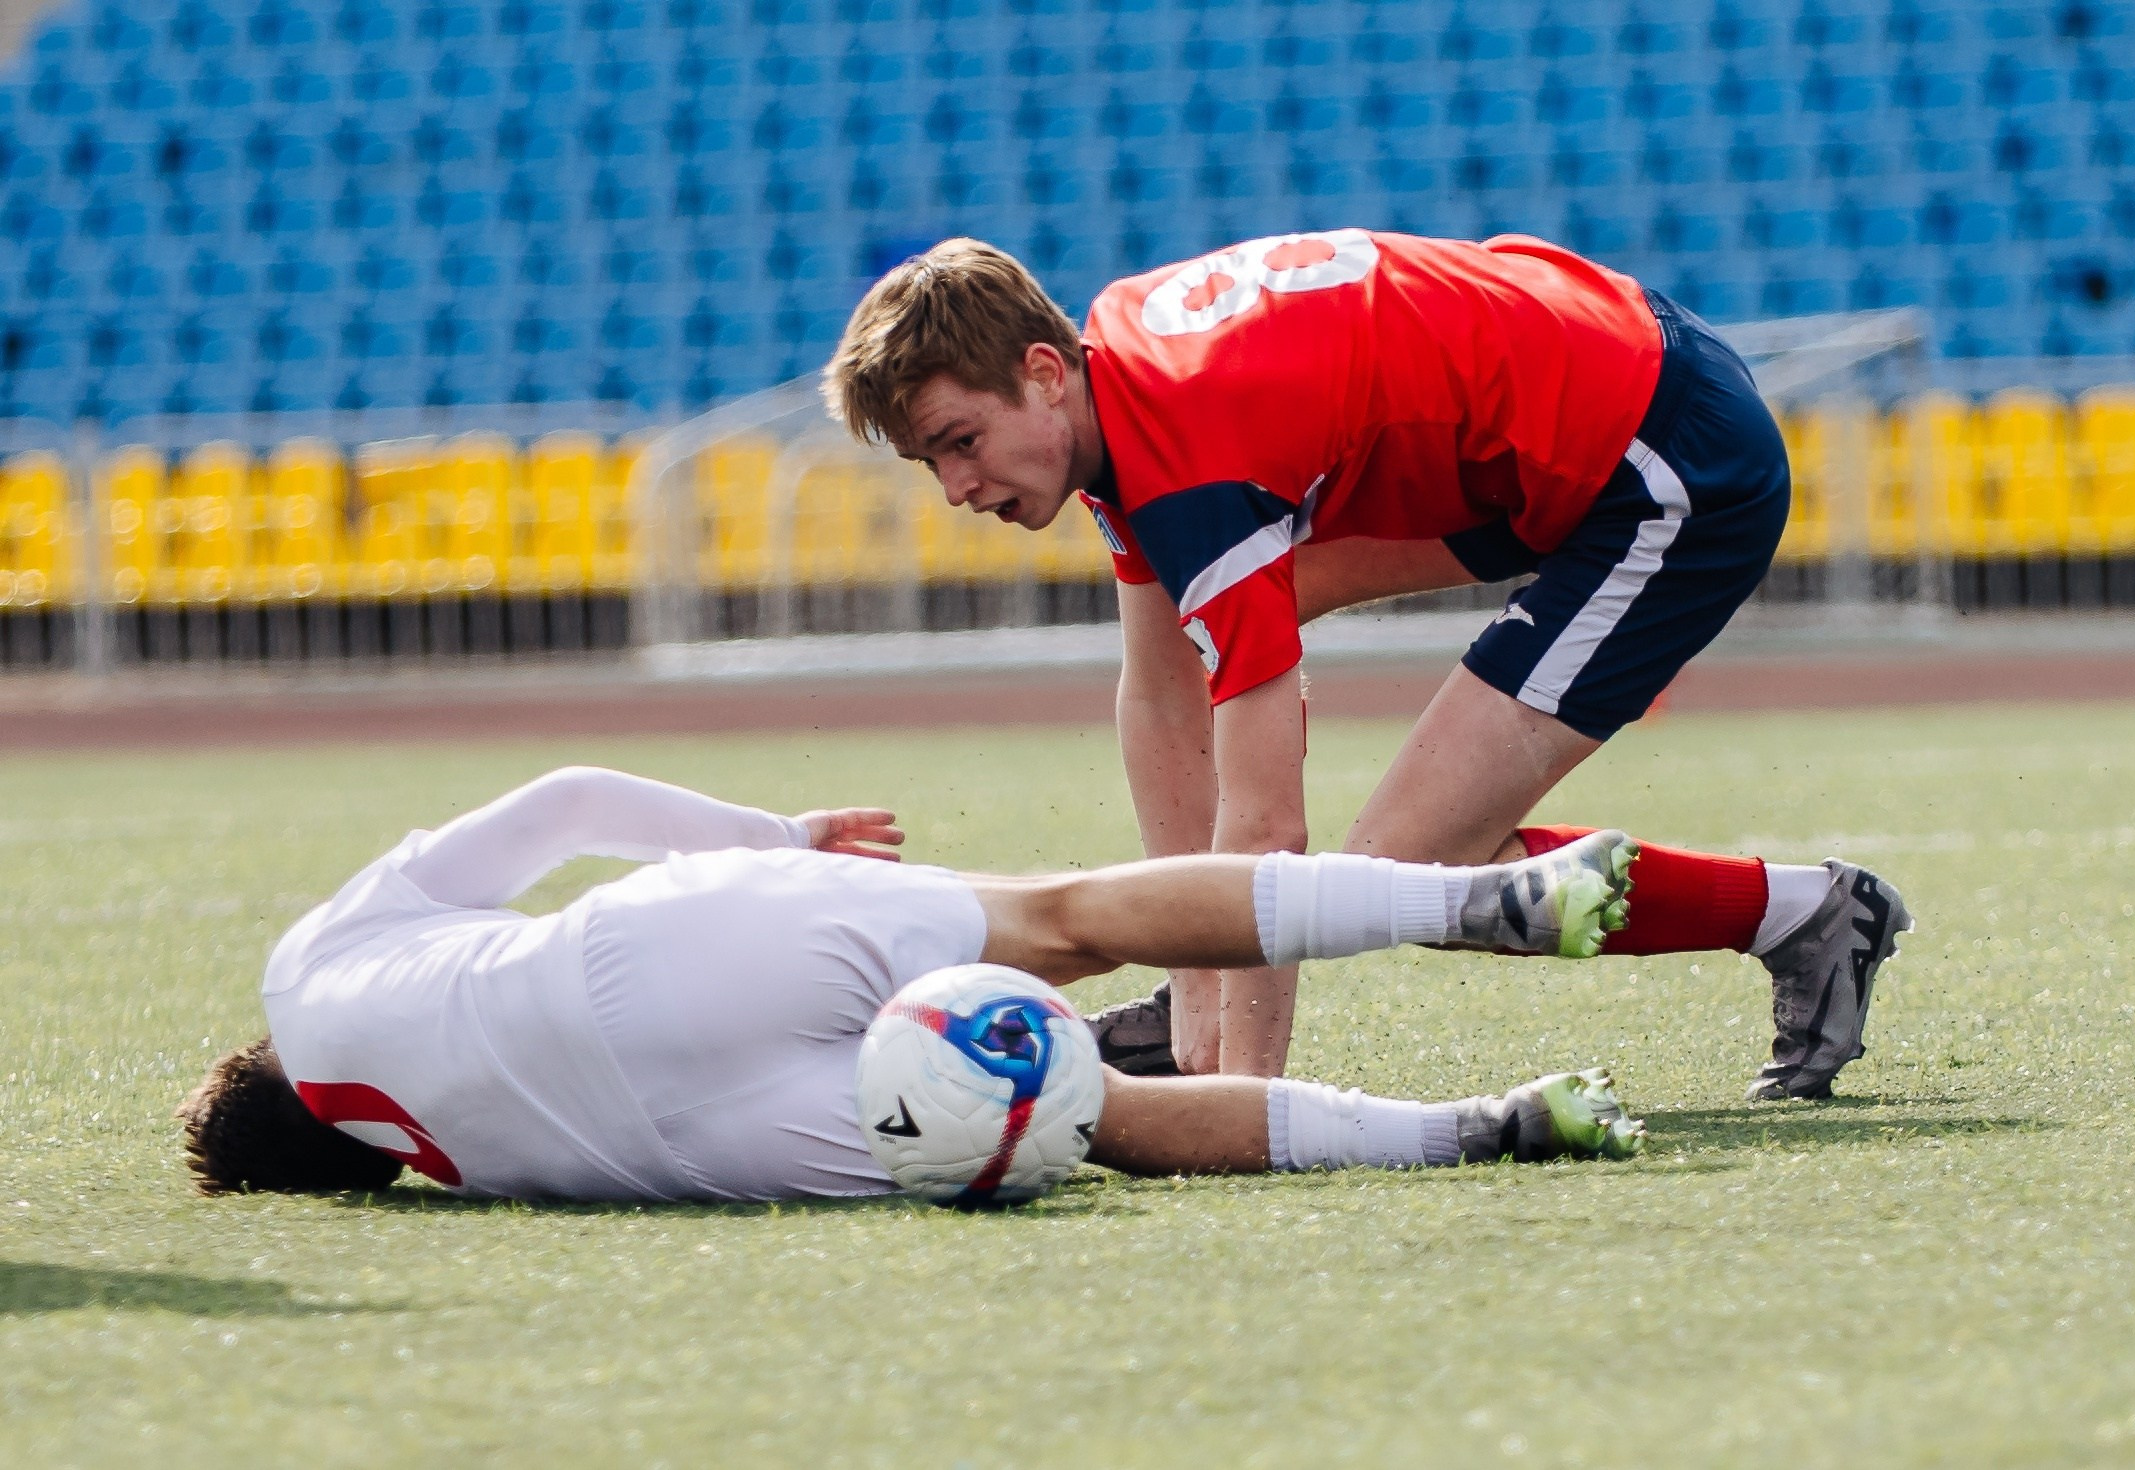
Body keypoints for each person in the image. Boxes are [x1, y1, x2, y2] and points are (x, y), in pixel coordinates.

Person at [823, 231, 1914, 1099]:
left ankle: (1803, 913)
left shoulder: (1192, 461)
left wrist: (1234, 1090)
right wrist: (1193, 974)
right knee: (1235, 687)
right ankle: (1191, 1005)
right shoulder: (1122, 382)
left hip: (1667, 461)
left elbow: (1263, 836)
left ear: (1044, 373)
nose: (956, 488)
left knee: (1404, 868)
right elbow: (1161, 700)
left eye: (960, 442)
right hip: (1589, 381)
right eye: (932, 462)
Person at [178, 766, 1647, 1204]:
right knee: (1068, 917)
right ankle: (1482, 897)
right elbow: (564, 802)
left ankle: (1484, 1127)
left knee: (1098, 1112)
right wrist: (777, 840)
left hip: (685, 1140)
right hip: (633, 951)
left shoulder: (441, 1173)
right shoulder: (307, 974)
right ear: (261, 1063)